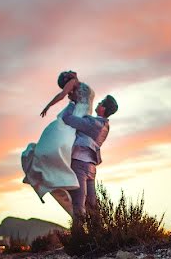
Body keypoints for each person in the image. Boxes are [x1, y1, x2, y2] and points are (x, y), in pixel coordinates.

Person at [21, 72, 96, 215]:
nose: (69, 71)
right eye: (66, 74)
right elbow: (62, 95)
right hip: (78, 115)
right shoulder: (74, 82)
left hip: (84, 117)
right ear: (68, 79)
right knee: (63, 143)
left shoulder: (78, 86)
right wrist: (48, 106)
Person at [60, 94, 118, 219]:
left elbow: (67, 118)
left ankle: (79, 238)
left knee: (79, 205)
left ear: (103, 109)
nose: (98, 103)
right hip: (91, 167)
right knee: (92, 206)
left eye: (101, 102)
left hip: (80, 164)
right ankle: (97, 236)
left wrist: (73, 102)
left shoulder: (93, 124)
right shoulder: (106, 126)